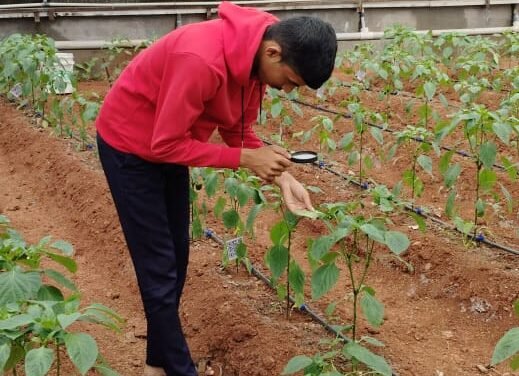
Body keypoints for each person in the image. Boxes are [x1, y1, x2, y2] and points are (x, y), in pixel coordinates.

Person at [95, 2, 337, 375]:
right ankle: (180, 369)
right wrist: (244, 159)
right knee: (158, 270)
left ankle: (156, 367)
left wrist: (284, 177)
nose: (286, 89)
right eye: (289, 80)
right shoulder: (201, 60)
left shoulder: (257, 53)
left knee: (175, 260)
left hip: (169, 144)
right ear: (273, 52)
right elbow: (164, 145)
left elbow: (236, 129)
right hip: (130, 147)